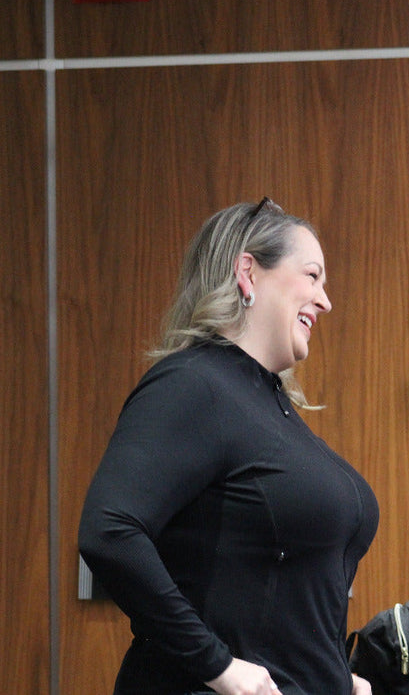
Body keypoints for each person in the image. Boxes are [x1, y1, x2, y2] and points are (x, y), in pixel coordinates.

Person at [79, 198, 378, 695]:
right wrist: (220, 667)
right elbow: (109, 530)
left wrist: (333, 677)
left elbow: (265, 594)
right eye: (312, 276)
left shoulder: (270, 407)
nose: (325, 300)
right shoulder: (194, 384)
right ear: (248, 273)